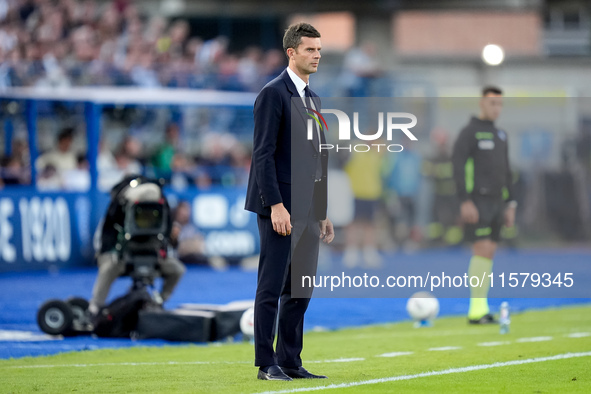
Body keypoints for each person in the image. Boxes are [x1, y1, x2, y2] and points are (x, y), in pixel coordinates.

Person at [244, 22, 334, 381]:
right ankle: (267, 364)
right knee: (271, 286)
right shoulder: (272, 93)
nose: (316, 56)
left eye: (319, 50)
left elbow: (319, 159)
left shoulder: (314, 99)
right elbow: (263, 155)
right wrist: (275, 205)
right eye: (310, 50)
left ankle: (291, 361)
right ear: (291, 53)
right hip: (280, 206)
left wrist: (323, 210)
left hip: (309, 209)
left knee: (301, 288)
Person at [452, 86, 517, 324]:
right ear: (481, 103)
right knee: (481, 250)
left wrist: (511, 203)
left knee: (489, 252)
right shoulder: (469, 133)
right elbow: (458, 168)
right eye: (492, 103)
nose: (496, 108)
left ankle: (482, 307)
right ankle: (475, 310)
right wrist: (465, 200)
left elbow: (507, 172)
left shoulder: (501, 136)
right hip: (478, 200)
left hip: (498, 202)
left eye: (500, 104)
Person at [88, 176, 186, 315]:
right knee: (107, 269)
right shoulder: (118, 214)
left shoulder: (161, 214)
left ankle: (158, 301)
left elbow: (170, 242)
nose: (146, 216)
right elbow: (104, 242)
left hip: (152, 257)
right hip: (123, 257)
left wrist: (172, 238)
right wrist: (108, 255)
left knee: (177, 269)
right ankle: (95, 307)